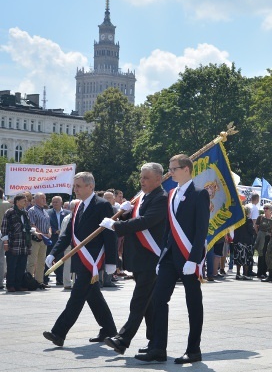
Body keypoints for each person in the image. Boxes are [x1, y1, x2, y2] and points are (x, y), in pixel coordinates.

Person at [136, 155, 209, 364]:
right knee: (158, 299)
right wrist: (161, 257)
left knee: (193, 303)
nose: (170, 172)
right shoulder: (171, 194)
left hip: (188, 258)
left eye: (174, 169)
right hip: (170, 257)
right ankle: (158, 348)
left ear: (186, 169)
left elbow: (201, 229)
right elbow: (168, 230)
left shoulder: (199, 193)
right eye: (169, 168)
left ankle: (193, 349)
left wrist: (194, 259)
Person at [43, 172, 118, 347]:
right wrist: (54, 253)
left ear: (90, 186)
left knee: (77, 296)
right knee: (93, 296)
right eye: (74, 186)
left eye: (78, 186)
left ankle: (59, 332)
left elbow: (109, 234)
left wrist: (111, 261)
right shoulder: (78, 206)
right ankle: (109, 329)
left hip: (92, 260)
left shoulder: (103, 205)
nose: (74, 189)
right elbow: (68, 233)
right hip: (80, 258)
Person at [101, 162, 168, 355]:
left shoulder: (161, 198)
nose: (142, 181)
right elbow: (136, 221)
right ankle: (155, 344)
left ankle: (123, 340)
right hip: (140, 258)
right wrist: (123, 215)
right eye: (141, 177)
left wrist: (116, 225)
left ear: (158, 179)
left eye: (146, 178)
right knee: (150, 305)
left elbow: (146, 222)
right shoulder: (143, 198)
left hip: (151, 258)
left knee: (139, 301)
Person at [1, 193, 32, 292]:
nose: (25, 202)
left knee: (21, 265)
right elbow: (4, 228)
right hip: (13, 242)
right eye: (24, 201)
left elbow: (27, 226)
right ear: (17, 202)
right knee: (12, 265)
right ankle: (10, 285)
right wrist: (5, 242)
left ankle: (18, 285)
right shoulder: (10, 212)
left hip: (24, 242)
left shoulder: (25, 212)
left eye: (26, 200)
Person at [27, 192, 51, 288]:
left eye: (45, 198)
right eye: (42, 198)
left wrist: (49, 232)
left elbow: (48, 224)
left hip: (44, 240)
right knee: (32, 261)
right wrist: (41, 233)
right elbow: (32, 224)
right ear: (36, 199)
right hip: (35, 239)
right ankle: (29, 282)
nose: (44, 200)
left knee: (41, 261)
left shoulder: (45, 211)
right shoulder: (32, 210)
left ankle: (39, 281)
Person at [48, 196, 70, 286]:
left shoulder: (67, 213)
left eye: (56, 202)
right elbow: (47, 224)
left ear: (61, 203)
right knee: (49, 258)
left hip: (63, 240)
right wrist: (54, 230)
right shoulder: (48, 213)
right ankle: (45, 278)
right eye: (53, 202)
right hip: (52, 239)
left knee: (61, 260)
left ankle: (60, 279)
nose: (54, 204)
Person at [233, 207, 256, 280]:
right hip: (246, 242)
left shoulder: (237, 220)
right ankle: (245, 274)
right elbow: (250, 230)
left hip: (237, 241)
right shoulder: (248, 220)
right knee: (246, 258)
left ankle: (238, 273)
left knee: (238, 258)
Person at [255, 203, 272, 278]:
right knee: (261, 254)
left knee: (267, 254)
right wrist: (258, 234)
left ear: (271, 210)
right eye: (264, 208)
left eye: (267, 208)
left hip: (269, 238)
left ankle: (265, 271)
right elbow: (256, 226)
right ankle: (260, 272)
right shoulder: (260, 217)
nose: (265, 210)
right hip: (262, 237)